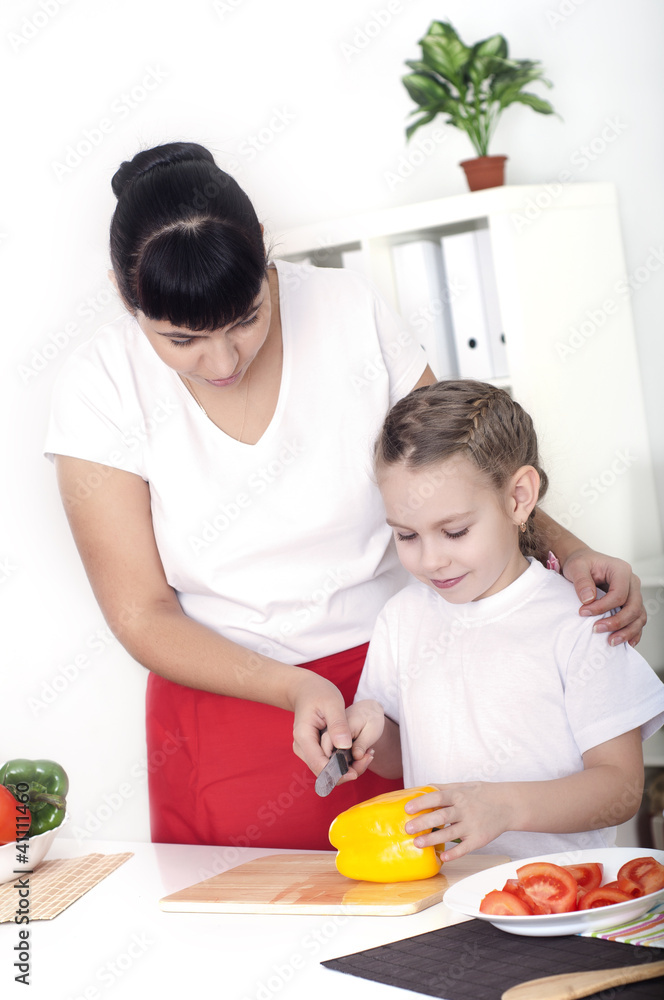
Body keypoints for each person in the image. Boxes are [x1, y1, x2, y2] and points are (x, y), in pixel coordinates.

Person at [45, 141, 647, 851]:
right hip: (230, 698)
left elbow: (460, 468)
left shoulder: (345, 304)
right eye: (182, 341)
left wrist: (570, 552)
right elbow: (141, 613)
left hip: (399, 685)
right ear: (127, 298)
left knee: (429, 916)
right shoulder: (99, 386)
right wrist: (292, 688)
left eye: (246, 318)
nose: (224, 361)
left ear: (267, 258)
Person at [345, 379, 664, 861]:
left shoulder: (581, 621)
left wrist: (504, 807)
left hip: (561, 901)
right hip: (445, 900)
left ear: (518, 497)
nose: (431, 561)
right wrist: (370, 729)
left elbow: (620, 790)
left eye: (454, 531)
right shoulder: (401, 619)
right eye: (407, 536)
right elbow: (394, 764)